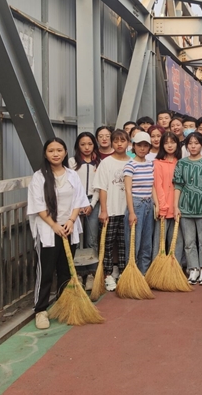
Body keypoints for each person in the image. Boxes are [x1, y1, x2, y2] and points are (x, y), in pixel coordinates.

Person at [28, 138, 89, 329]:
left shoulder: (72, 175)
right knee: (45, 271)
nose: (55, 154)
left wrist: (71, 220)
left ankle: (63, 305)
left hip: (69, 228)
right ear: (45, 154)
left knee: (66, 269)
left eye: (59, 150)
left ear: (65, 152)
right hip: (48, 229)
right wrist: (54, 225)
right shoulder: (39, 177)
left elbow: (78, 200)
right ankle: (40, 310)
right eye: (51, 150)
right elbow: (38, 205)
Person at [174, 132, 202, 285]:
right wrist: (176, 206)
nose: (193, 146)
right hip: (185, 207)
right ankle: (193, 268)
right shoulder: (181, 163)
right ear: (186, 146)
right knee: (189, 241)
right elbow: (178, 185)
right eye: (190, 143)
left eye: (196, 143)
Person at [93, 129, 131, 291]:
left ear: (128, 142)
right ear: (112, 143)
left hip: (127, 211)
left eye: (122, 141)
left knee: (124, 244)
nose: (119, 144)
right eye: (116, 141)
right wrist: (103, 210)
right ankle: (108, 274)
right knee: (107, 244)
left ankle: (123, 272)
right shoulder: (106, 163)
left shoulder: (132, 161)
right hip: (110, 209)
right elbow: (102, 188)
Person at [68, 132, 101, 289]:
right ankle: (78, 274)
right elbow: (71, 185)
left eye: (90, 144)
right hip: (75, 204)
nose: (86, 147)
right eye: (82, 144)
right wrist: (79, 203)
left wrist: (91, 204)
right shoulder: (72, 162)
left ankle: (92, 274)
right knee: (76, 239)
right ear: (77, 146)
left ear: (94, 145)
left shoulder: (99, 163)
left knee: (91, 239)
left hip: (93, 202)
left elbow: (99, 186)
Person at [123, 132, 156, 274]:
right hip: (136, 204)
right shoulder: (130, 165)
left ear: (149, 147)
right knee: (133, 242)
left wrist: (156, 205)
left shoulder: (150, 164)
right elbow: (128, 190)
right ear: (134, 146)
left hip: (149, 204)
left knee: (146, 242)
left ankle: (143, 274)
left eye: (145, 146)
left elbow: (152, 186)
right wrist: (131, 212)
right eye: (139, 145)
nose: (142, 148)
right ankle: (131, 274)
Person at [153, 132, 184, 263]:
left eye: (172, 142)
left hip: (178, 207)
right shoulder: (157, 163)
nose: (169, 146)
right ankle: (157, 267)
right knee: (159, 241)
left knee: (177, 240)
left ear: (177, 144)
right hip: (163, 207)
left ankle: (175, 267)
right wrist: (161, 206)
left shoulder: (181, 162)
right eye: (166, 143)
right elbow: (157, 186)